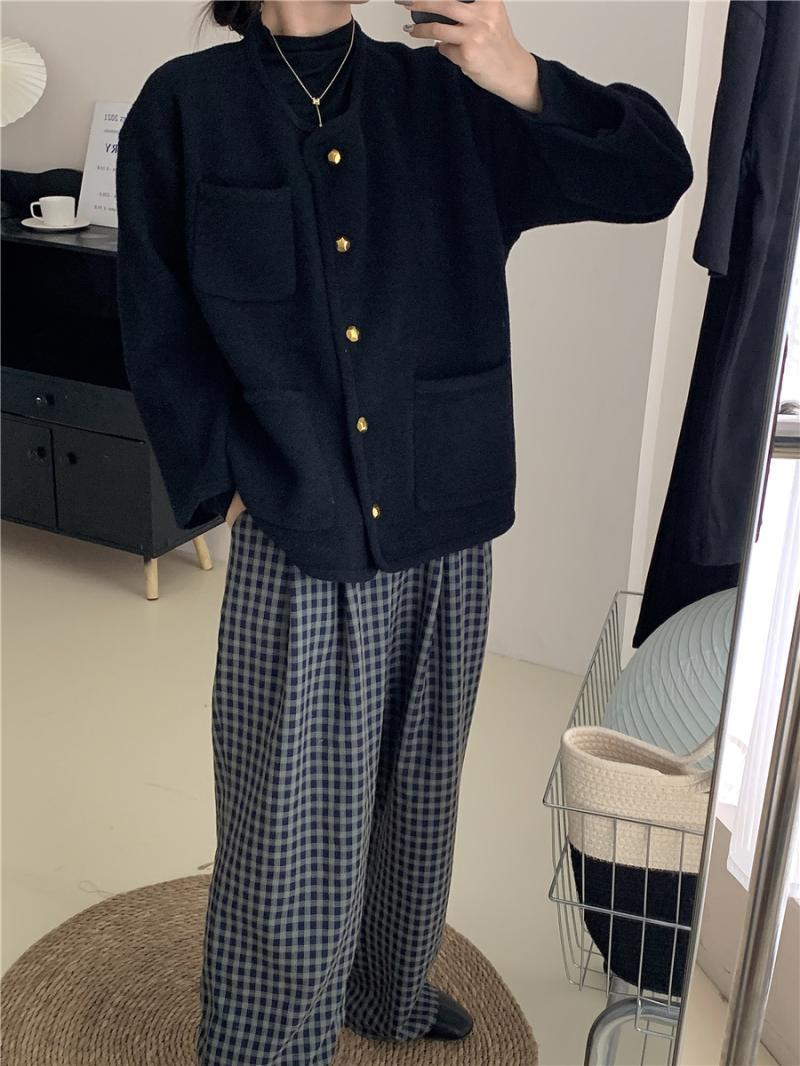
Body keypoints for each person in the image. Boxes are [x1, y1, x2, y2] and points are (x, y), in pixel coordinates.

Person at [114, 2, 693, 1062]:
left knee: (418, 792)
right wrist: (220, 479)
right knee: (286, 823)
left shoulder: (448, 95)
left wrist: (515, 68)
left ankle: (386, 986)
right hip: (299, 521)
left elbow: (654, 176)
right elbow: (156, 315)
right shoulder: (185, 107)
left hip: (445, 511)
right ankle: (264, 1044)